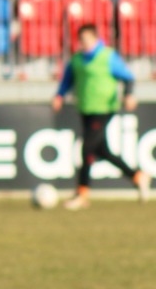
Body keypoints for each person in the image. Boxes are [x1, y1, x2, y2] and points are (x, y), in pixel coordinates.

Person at [51, 24, 149, 210]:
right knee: (102, 150)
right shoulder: (77, 59)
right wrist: (59, 96)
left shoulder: (107, 56)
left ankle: (82, 193)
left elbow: (128, 77)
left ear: (96, 39)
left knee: (86, 148)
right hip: (85, 109)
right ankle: (137, 176)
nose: (85, 43)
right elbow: (67, 80)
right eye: (82, 40)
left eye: (88, 39)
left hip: (104, 109)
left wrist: (129, 94)